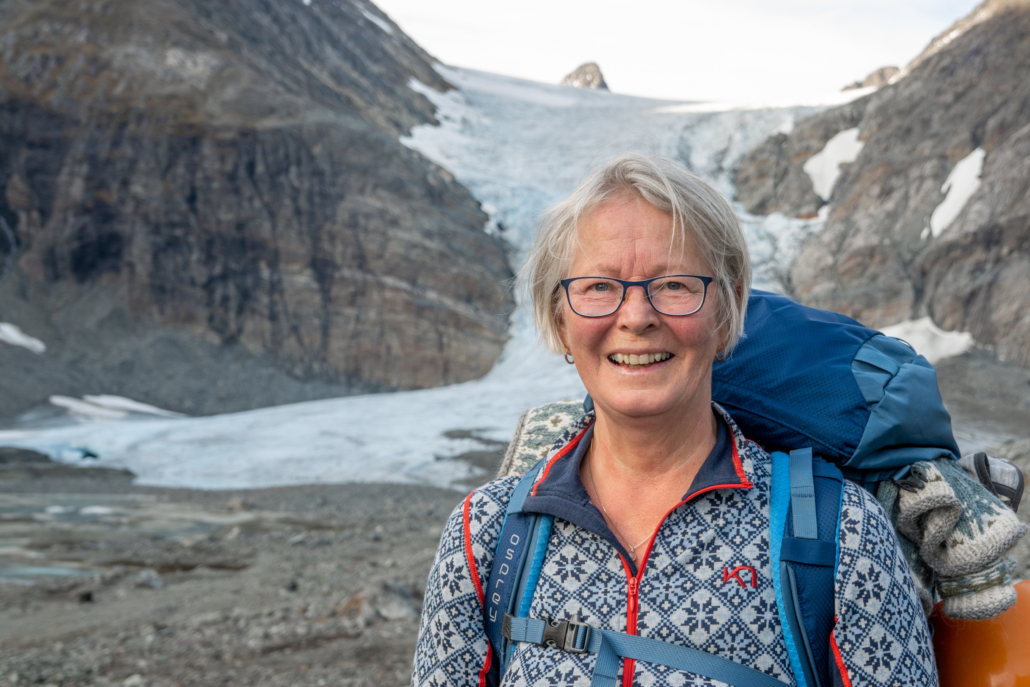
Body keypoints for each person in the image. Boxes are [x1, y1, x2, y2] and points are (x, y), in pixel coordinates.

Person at [412, 154, 937, 686]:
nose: (637, 318)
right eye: (598, 287)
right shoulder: (486, 535)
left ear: (726, 309)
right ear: (558, 318)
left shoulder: (839, 530)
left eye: (674, 285)